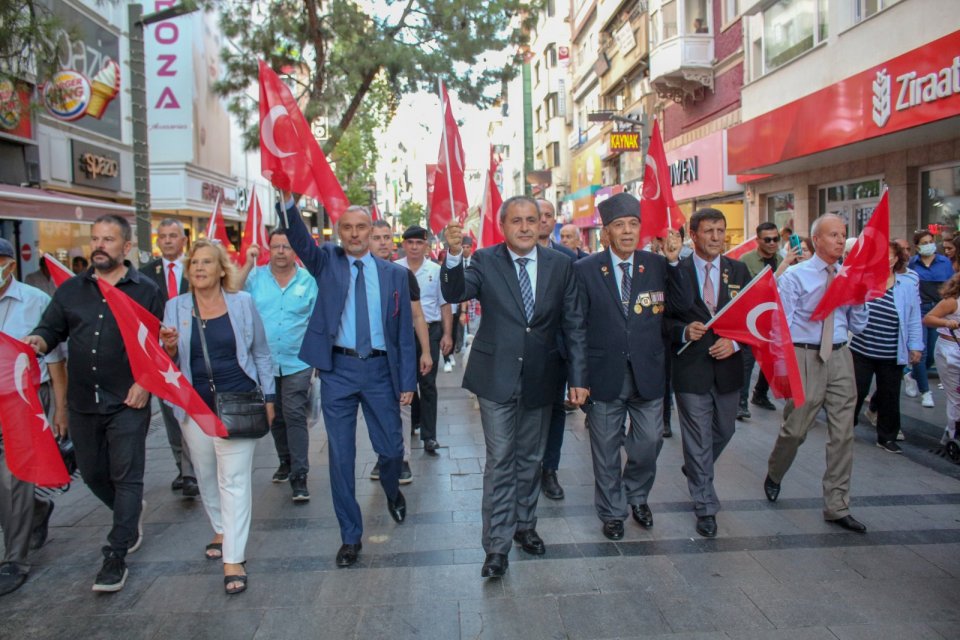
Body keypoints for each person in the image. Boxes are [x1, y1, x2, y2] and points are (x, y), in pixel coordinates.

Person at [441, 196, 588, 578]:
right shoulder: (485, 261)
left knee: (531, 459)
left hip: (543, 376)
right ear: (503, 226)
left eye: (531, 220)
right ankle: (496, 547)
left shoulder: (561, 264)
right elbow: (457, 292)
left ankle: (526, 525)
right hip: (495, 378)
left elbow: (573, 323)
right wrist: (454, 255)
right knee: (501, 459)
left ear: (543, 224)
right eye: (516, 221)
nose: (524, 227)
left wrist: (579, 378)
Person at [26, 214, 164, 592]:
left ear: (126, 246)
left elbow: (157, 345)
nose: (100, 245)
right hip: (84, 401)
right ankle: (129, 511)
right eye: (96, 238)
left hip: (128, 400)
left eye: (108, 239)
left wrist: (145, 382)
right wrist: (38, 341)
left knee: (127, 474)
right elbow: (50, 328)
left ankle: (115, 554)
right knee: (91, 473)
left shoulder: (147, 290)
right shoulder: (71, 290)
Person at [280, 194, 415, 568]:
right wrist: (288, 201)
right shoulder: (327, 262)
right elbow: (299, 238)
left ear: (372, 232)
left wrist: (407, 381)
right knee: (341, 458)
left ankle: (391, 490)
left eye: (361, 227)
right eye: (347, 228)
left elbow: (404, 333)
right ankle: (350, 537)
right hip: (337, 371)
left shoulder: (395, 275)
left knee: (391, 449)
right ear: (338, 233)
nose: (354, 234)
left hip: (379, 372)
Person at [159, 240, 274, 595]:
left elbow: (260, 352)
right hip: (195, 406)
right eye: (194, 262)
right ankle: (223, 526)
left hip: (238, 401)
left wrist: (269, 396)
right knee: (207, 476)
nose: (199, 268)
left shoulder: (242, 304)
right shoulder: (175, 307)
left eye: (207, 262)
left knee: (234, 481)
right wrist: (170, 346)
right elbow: (169, 363)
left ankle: (233, 558)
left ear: (222, 268)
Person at [575, 193, 689, 541]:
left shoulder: (655, 265)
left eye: (633, 224)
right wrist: (577, 379)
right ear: (606, 232)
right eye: (619, 225)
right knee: (605, 450)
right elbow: (576, 327)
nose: (627, 231)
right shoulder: (585, 269)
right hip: (603, 375)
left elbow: (679, 308)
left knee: (650, 441)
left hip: (648, 372)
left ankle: (635, 494)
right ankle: (612, 512)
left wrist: (673, 264)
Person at [764, 214, 870, 533]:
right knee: (795, 429)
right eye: (834, 235)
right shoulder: (796, 276)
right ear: (817, 240)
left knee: (843, 433)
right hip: (804, 355)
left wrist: (861, 297)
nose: (840, 240)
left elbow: (858, 324)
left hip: (839, 355)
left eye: (843, 235)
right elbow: (780, 322)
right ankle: (775, 472)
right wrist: (783, 367)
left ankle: (837, 505)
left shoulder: (848, 276)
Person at [666, 208, 751, 538]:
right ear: (693, 233)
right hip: (691, 369)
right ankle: (705, 505)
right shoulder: (677, 270)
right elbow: (665, 318)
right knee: (698, 437)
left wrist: (735, 344)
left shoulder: (738, 270)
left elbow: (751, 319)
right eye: (709, 231)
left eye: (721, 231)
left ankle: (696, 467)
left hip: (728, 367)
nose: (716, 237)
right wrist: (684, 331)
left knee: (725, 430)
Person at [0, 239, 66, 596]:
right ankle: (38, 508)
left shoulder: (35, 301)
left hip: (24, 398)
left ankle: (15, 559)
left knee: (13, 478)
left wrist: (60, 409)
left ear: (9, 265)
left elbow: (55, 360)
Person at [239, 231, 318, 501]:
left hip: (299, 360)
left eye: (286, 246)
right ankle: (285, 460)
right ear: (268, 250)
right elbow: (231, 292)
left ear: (295, 251)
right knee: (275, 414)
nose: (281, 251)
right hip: (264, 362)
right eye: (276, 246)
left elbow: (318, 319)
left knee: (294, 413)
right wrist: (248, 263)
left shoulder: (308, 281)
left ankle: (300, 475)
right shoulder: (255, 278)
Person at [369, 219, 433, 483]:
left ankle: (403, 458)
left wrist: (426, 351)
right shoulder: (357, 273)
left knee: (403, 404)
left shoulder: (401, 275)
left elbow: (418, 315)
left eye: (387, 237)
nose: (383, 242)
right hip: (370, 354)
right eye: (377, 237)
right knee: (375, 408)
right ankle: (384, 456)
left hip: (399, 352)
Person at [140, 219, 197, 497]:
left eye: (173, 236)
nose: (167, 241)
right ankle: (183, 467)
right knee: (171, 412)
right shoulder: (145, 274)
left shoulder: (196, 267)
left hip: (193, 346)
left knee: (192, 409)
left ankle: (193, 468)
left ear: (183, 240)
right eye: (162, 236)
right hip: (161, 354)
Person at [850, 242, 923, 454]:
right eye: (883, 256)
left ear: (897, 258)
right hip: (862, 348)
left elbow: (914, 318)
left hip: (892, 350)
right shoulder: (865, 281)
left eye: (891, 256)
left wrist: (916, 346)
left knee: (890, 394)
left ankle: (887, 436)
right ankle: (845, 427)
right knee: (855, 391)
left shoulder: (907, 285)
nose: (888, 260)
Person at [535, 198, 577, 501]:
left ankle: (549, 469)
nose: (543, 220)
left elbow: (576, 309)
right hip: (522, 351)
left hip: (558, 350)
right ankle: (524, 467)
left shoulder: (568, 258)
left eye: (549, 215)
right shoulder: (507, 256)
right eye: (538, 215)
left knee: (554, 410)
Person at [397, 225, 452, 454]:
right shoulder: (395, 269)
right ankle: (412, 422)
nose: (414, 247)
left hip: (430, 331)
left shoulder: (436, 270)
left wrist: (448, 334)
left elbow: (444, 303)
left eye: (419, 243)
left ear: (426, 245)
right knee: (406, 382)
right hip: (402, 333)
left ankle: (430, 436)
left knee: (427, 383)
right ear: (404, 245)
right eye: (410, 243)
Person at [737, 222, 799, 420]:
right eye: (768, 240)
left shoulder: (782, 258)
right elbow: (757, 289)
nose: (772, 243)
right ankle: (741, 403)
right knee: (747, 362)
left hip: (774, 320)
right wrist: (783, 267)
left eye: (775, 239)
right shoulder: (745, 261)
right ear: (758, 241)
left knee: (772, 360)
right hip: (751, 320)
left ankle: (760, 394)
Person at [906, 230, 953, 408]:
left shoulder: (944, 262)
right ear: (917, 246)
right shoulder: (913, 264)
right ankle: (926, 391)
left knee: (931, 354)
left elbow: (950, 287)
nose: (928, 245)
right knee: (921, 351)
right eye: (924, 242)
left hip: (938, 310)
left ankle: (911, 375)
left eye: (930, 241)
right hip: (918, 310)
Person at [924, 272, 960, 447]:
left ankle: (950, 432)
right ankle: (953, 436)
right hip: (950, 350)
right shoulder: (952, 302)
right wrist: (947, 323)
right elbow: (928, 319)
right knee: (956, 397)